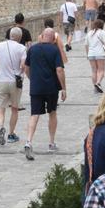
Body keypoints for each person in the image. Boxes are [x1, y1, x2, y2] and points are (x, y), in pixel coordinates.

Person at [24, 27, 67, 158]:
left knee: (34, 114)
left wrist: (33, 79)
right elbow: (59, 70)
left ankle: (29, 141)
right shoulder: (54, 50)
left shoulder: (32, 49)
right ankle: (51, 142)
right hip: (51, 87)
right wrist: (64, 88)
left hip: (36, 87)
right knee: (52, 113)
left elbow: (26, 68)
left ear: (41, 36)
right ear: (54, 38)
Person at [0, 25, 28, 146]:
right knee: (14, 109)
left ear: (10, 36)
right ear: (20, 37)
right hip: (15, 82)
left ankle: (1, 127)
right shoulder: (22, 48)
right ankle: (11, 134)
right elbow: (23, 66)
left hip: (1, 81)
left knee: (0, 109)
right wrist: (20, 72)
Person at [85, 19, 105, 93]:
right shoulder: (102, 32)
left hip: (91, 54)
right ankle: (98, 83)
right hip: (100, 53)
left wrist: (87, 54)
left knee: (94, 71)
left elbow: (86, 45)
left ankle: (95, 87)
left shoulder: (89, 33)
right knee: (101, 70)